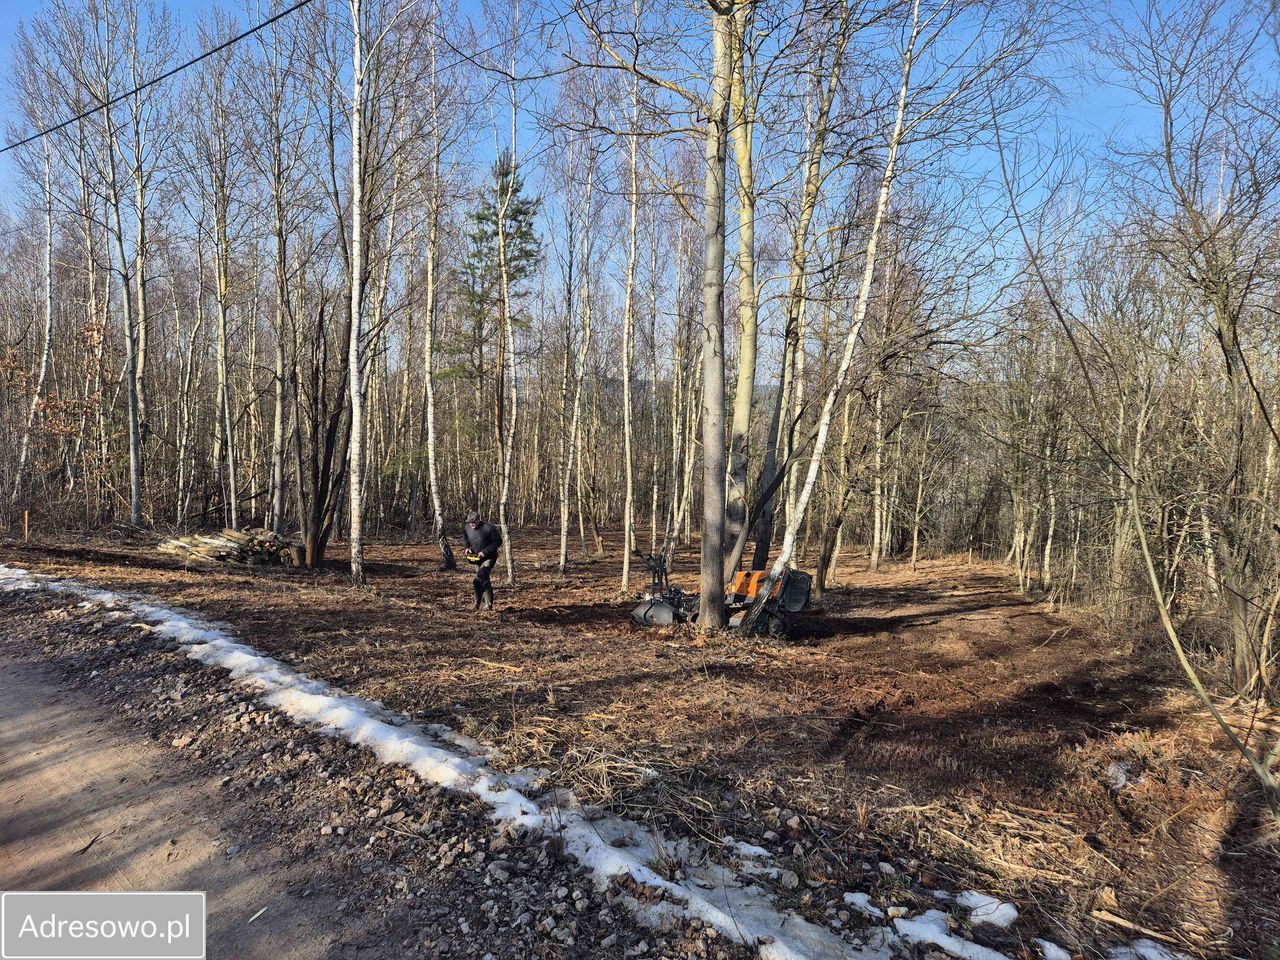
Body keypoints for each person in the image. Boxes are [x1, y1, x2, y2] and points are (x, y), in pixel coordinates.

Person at [462, 510, 502, 610]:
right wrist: (466, 547)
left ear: (478, 519)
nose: (471, 524)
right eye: (470, 522)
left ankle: (484, 604)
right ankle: (482, 604)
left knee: (479, 578)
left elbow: (498, 541)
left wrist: (485, 551)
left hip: (489, 557)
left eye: (473, 522)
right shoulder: (467, 527)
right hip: (476, 558)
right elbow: (465, 538)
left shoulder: (488, 528)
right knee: (483, 580)